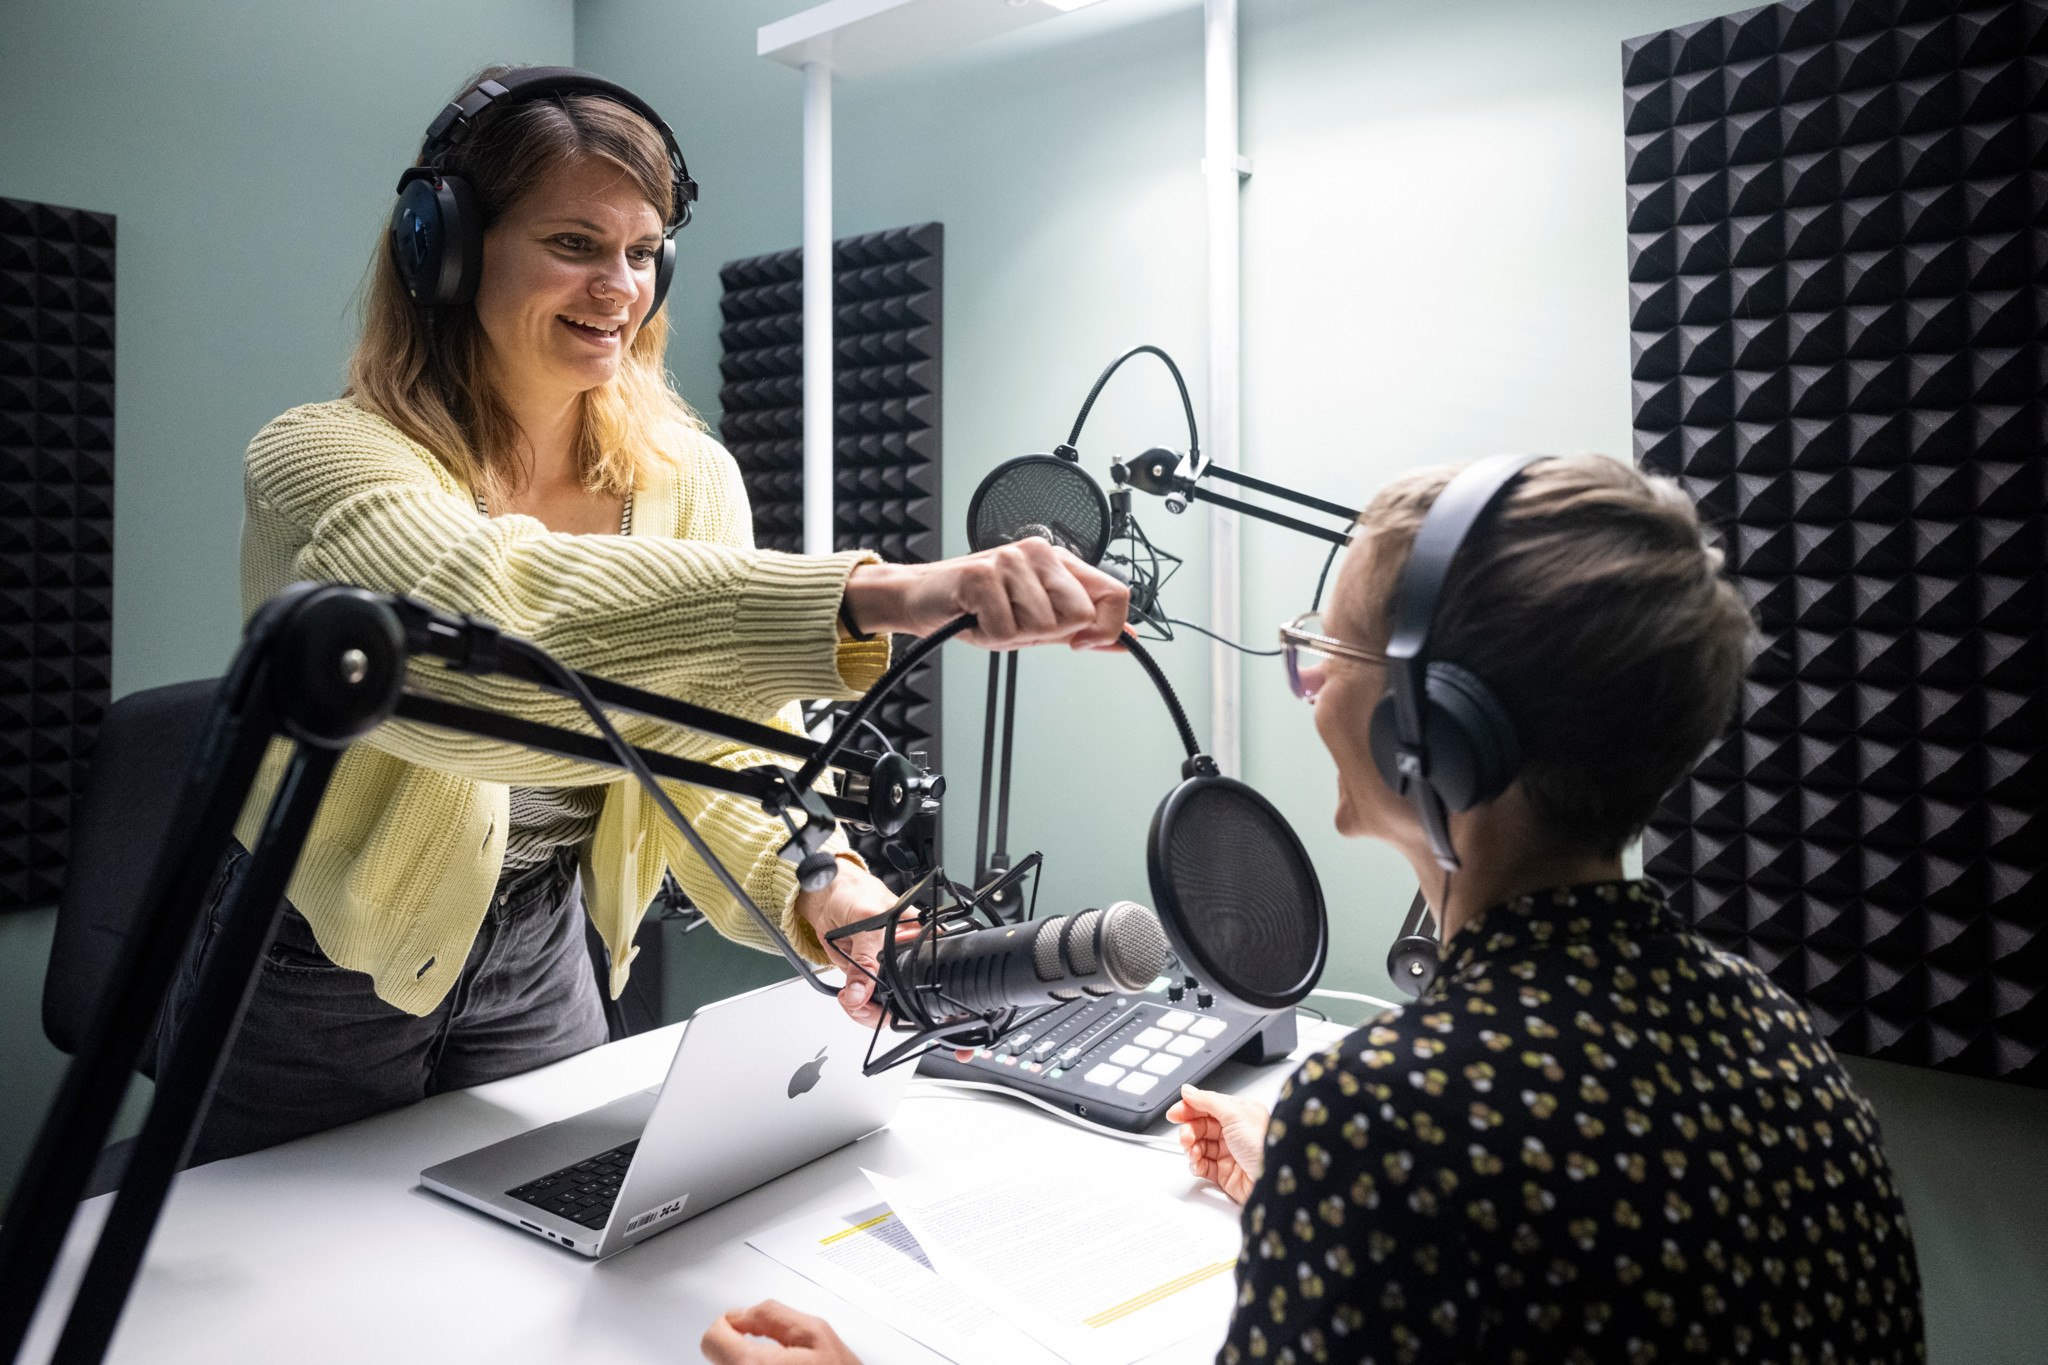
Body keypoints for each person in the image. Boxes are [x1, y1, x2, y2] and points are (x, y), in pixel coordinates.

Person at [700, 455, 1925, 1364]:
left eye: (1318, 652)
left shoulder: (1399, 1110)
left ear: (1426, 732)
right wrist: (1331, 1196)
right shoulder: (1762, 1024)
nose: (1305, 690)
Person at [156, 66, 1127, 1165]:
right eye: (572, 243)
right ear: (448, 248)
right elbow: (482, 646)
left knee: (542, 1258)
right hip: (309, 957)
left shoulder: (689, 480)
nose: (617, 285)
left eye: (640, 250)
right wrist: (872, 592)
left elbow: (697, 738)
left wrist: (822, 881)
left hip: (540, 945)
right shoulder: (319, 457)